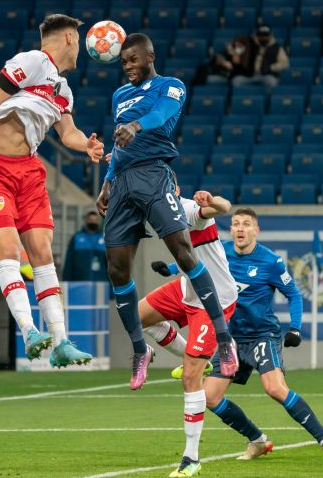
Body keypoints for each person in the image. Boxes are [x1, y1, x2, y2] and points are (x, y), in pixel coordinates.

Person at [0, 14, 102, 369]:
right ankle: (30, 330)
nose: (80, 45)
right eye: (77, 38)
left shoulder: (63, 89)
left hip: (29, 172)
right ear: (67, 38)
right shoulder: (31, 61)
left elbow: (68, 133)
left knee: (43, 252)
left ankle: (61, 340)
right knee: (9, 247)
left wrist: (85, 146)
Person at [96, 32, 239, 392]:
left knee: (182, 251)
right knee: (116, 268)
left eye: (133, 59)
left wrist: (135, 125)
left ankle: (223, 341)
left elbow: (161, 116)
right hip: (123, 182)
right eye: (123, 61)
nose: (127, 65)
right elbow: (119, 145)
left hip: (154, 174)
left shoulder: (170, 86)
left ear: (150, 56)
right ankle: (139, 348)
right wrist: (108, 180)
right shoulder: (119, 95)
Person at [206, 208, 323, 464]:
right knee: (210, 396)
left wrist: (295, 328)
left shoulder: (271, 261)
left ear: (256, 230)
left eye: (246, 224)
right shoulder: (220, 251)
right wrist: (171, 269)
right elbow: (196, 264)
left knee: (275, 388)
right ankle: (257, 440)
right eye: (235, 224)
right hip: (232, 338)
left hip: (262, 335)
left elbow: (293, 294)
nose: (240, 229)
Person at [138, 184, 236, 478]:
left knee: (191, 378)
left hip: (214, 299)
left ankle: (191, 457)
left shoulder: (188, 209)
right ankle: (194, 358)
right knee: (136, 315)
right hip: (187, 289)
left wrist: (211, 200)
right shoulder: (154, 211)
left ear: (173, 188)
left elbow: (224, 207)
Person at [231, 26, 289, 91]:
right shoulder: (249, 43)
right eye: (261, 36)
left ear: (270, 35)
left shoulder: (276, 48)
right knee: (236, 80)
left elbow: (285, 63)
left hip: (266, 75)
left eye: (265, 36)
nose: (263, 38)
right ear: (257, 35)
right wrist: (236, 54)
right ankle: (240, 99)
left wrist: (271, 68)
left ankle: (267, 100)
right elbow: (233, 47)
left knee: (272, 81)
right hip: (249, 75)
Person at [62, 210, 108, 281]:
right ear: (86, 221)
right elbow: (69, 261)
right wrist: (66, 280)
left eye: (95, 220)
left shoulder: (104, 239)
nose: (93, 222)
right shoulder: (77, 238)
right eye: (90, 220)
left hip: (101, 282)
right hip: (79, 281)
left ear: (98, 222)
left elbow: (110, 263)